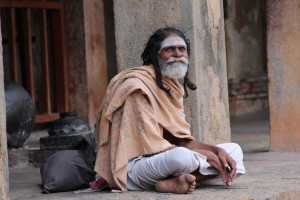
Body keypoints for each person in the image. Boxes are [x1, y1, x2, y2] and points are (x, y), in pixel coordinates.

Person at [93, 27, 245, 194]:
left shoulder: (172, 87)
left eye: (182, 49)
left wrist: (217, 151)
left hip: (163, 159)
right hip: (132, 167)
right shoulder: (137, 87)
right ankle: (164, 182)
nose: (178, 54)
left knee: (233, 152)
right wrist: (207, 156)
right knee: (182, 157)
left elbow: (182, 141)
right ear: (155, 54)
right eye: (169, 49)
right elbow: (152, 146)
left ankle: (169, 182)